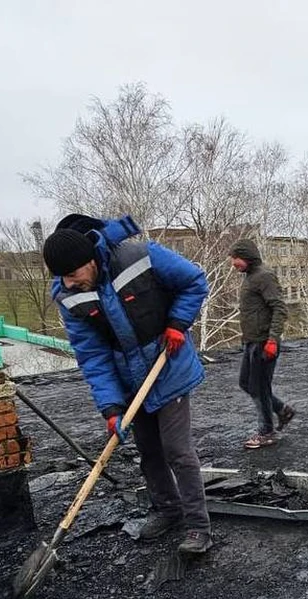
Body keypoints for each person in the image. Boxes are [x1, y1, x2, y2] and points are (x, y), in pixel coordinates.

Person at [42, 213, 213, 554]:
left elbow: (194, 281)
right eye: (64, 277)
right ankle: (168, 510)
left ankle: (198, 527)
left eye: (74, 274)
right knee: (149, 452)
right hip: (129, 379)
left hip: (169, 364)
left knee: (177, 449)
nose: (70, 283)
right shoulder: (68, 295)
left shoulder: (138, 257)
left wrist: (178, 323)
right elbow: (92, 355)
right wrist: (111, 406)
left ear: (89, 260)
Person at [229, 238, 294, 449]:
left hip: (264, 343)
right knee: (246, 384)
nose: (233, 263)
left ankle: (267, 432)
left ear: (247, 257)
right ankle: (282, 410)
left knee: (259, 387)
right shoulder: (250, 277)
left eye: (235, 258)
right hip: (251, 342)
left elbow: (279, 309)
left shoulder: (264, 276)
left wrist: (273, 340)